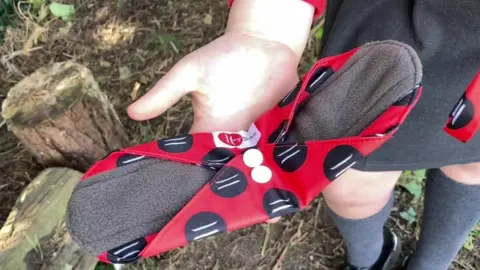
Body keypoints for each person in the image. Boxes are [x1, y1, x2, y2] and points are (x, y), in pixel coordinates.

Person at [127, 1, 480, 269]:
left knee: (472, 170)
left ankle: (433, 263)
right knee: (351, 190)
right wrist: (264, 27)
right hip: (387, 47)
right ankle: (371, 259)